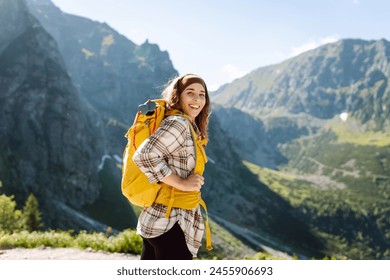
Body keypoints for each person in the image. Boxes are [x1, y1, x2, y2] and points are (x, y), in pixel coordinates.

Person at [132, 73, 211, 260]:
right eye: (190, 92)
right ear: (178, 96)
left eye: (202, 94)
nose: (197, 99)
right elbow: (144, 155)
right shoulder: (179, 124)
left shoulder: (187, 125)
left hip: (159, 218)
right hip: (172, 222)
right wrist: (182, 183)